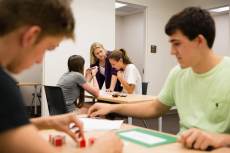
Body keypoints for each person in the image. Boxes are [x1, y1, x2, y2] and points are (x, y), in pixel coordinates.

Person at [88, 7, 230, 151]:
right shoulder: (178, 73)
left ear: (199, 41)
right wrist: (112, 107)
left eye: (177, 43)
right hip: (182, 146)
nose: (172, 51)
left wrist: (221, 138)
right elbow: (155, 107)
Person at [0, 1, 123, 153]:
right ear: (31, 36)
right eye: (47, 48)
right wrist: (104, 148)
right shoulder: (4, 89)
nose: (39, 60)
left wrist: (46, 122)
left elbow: (5, 128)